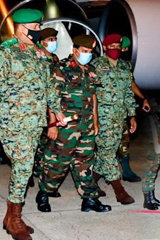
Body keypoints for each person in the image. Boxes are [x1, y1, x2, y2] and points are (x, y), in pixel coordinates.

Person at [0, 8, 67, 240]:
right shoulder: (5, 52)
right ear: (22, 28)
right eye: (37, 27)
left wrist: (57, 111)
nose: (40, 31)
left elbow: (50, 86)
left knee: (25, 167)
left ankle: (10, 216)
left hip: (34, 122)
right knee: (23, 167)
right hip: (12, 121)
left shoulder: (40, 53)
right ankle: (15, 219)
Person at [36, 34, 111, 213]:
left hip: (86, 125)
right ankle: (45, 193)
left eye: (91, 52)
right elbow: (51, 97)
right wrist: (52, 124)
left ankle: (89, 200)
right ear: (75, 51)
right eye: (85, 51)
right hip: (65, 126)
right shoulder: (62, 69)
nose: (88, 55)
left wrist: (95, 121)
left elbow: (93, 96)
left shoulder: (91, 70)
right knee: (58, 163)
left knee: (85, 163)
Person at [91, 34, 136, 205]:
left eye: (118, 46)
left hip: (119, 118)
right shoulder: (96, 65)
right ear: (105, 47)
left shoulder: (125, 66)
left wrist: (132, 116)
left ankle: (90, 183)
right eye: (112, 46)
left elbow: (128, 94)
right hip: (102, 118)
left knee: (106, 152)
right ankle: (119, 190)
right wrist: (93, 119)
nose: (115, 49)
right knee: (109, 153)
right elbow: (91, 94)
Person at [31, 27, 61, 189]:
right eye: (50, 40)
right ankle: (30, 172)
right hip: (38, 107)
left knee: (47, 146)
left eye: (54, 40)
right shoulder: (37, 59)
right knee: (35, 144)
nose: (53, 43)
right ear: (41, 42)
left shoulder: (55, 59)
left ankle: (42, 176)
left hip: (52, 106)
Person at [115, 35, 147, 183]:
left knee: (124, 141)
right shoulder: (100, 64)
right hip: (104, 112)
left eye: (127, 48)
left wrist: (143, 98)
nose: (125, 51)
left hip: (121, 111)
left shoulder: (126, 65)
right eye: (123, 48)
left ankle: (126, 171)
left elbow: (131, 85)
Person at [141, 109, 160, 210]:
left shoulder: (153, 116)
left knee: (154, 169)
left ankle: (151, 198)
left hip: (155, 146)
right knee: (148, 171)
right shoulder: (145, 117)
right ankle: (147, 200)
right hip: (149, 147)